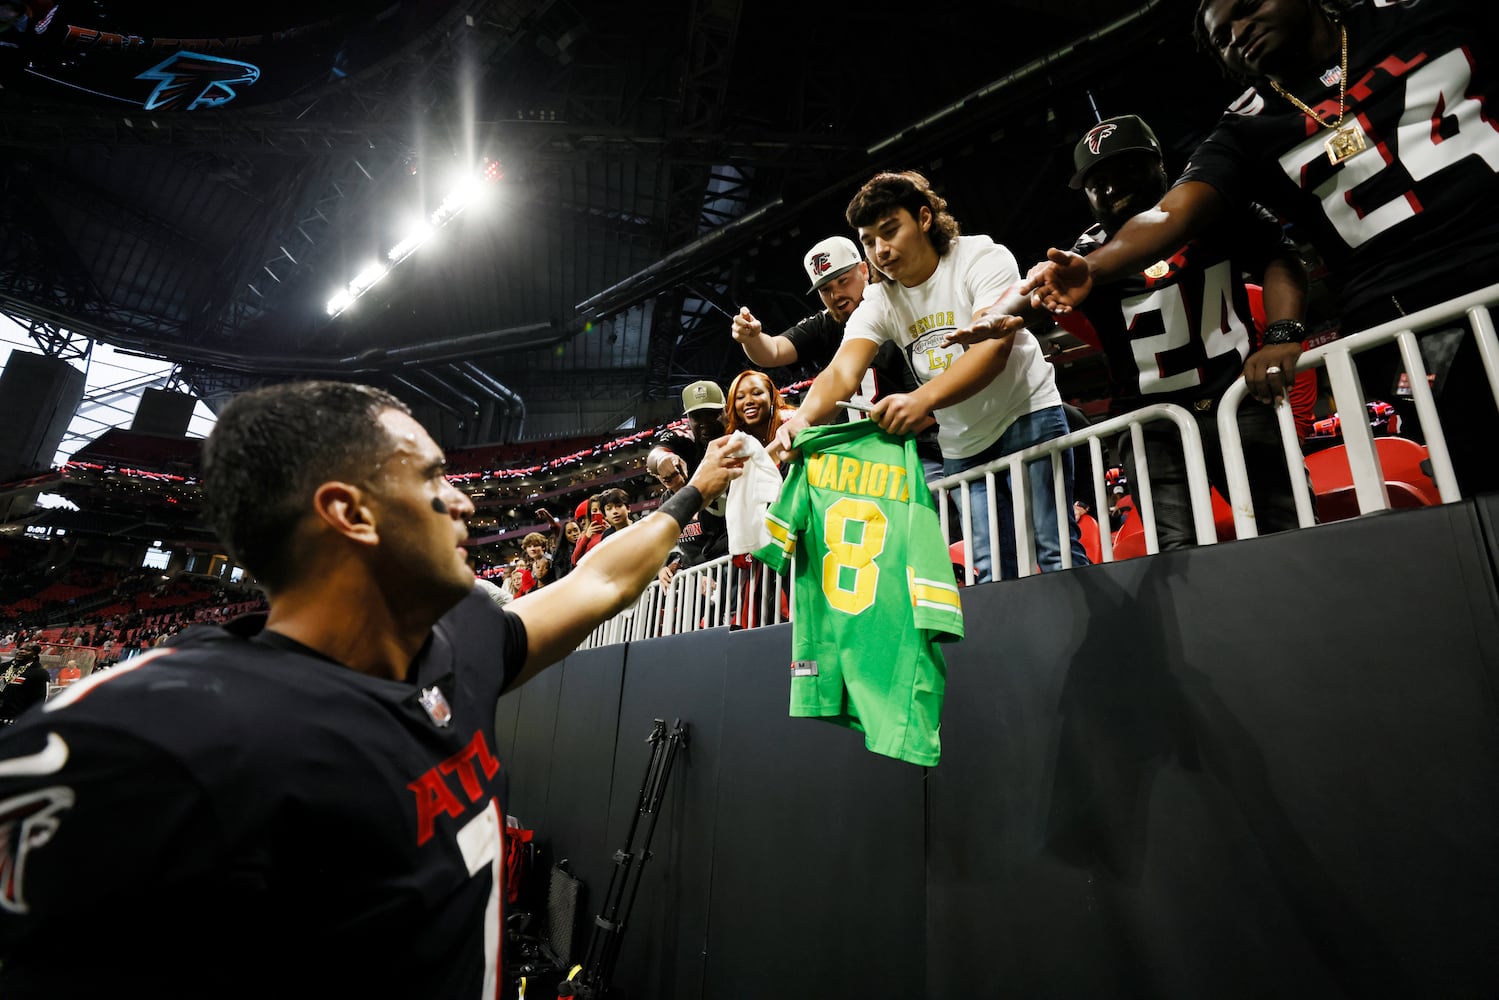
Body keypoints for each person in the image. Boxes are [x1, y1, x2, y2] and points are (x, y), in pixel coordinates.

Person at [0, 380, 742, 998]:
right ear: (349, 512)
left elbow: (600, 581)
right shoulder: (143, 740)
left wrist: (692, 494)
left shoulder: (466, 636)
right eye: (431, 480)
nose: (466, 505)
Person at [1024, 0, 1498, 496]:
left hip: (1470, 271)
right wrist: (1092, 268)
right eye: (1222, 39)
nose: (1238, 34)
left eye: (1247, 8)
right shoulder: (1245, 127)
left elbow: (1277, 255)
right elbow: (1174, 213)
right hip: (1406, 315)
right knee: (1478, 476)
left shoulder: (1428, 14)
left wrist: (1284, 330)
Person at [950, 114, 1311, 549]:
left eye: (1122, 169)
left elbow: (1281, 255)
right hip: (1151, 424)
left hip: (1237, 400)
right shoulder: (1086, 254)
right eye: (1094, 181)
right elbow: (1034, 287)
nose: (1108, 188)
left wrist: (1282, 333)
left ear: (1157, 164)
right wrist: (996, 315)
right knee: (1178, 551)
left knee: (1291, 525)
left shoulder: (1212, 212)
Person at [770, 170, 1087, 582]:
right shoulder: (881, 300)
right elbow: (841, 371)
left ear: (923, 218)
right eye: (869, 241)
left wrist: (920, 400)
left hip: (1027, 417)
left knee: (1056, 548)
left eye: (889, 231)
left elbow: (992, 350)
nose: (880, 250)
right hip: (963, 445)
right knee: (991, 568)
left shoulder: (981, 257)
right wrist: (801, 420)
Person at [731, 235, 944, 479]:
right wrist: (751, 338)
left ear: (864, 270)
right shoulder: (827, 323)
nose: (836, 295)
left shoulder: (894, 306)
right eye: (826, 289)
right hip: (858, 463)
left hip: (915, 450)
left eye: (843, 281)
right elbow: (774, 351)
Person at [650, 380, 730, 586]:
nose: (705, 422)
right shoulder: (684, 439)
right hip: (709, 560)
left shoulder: (740, 435)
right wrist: (662, 460)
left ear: (726, 411)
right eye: (696, 416)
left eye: (711, 413)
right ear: (687, 419)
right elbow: (656, 453)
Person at [0, 643, 48, 723]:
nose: (22, 651)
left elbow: (40, 700)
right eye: (20, 649)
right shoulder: (3, 667)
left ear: (35, 655)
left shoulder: (40, 673)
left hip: (17, 721)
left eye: (27, 650)